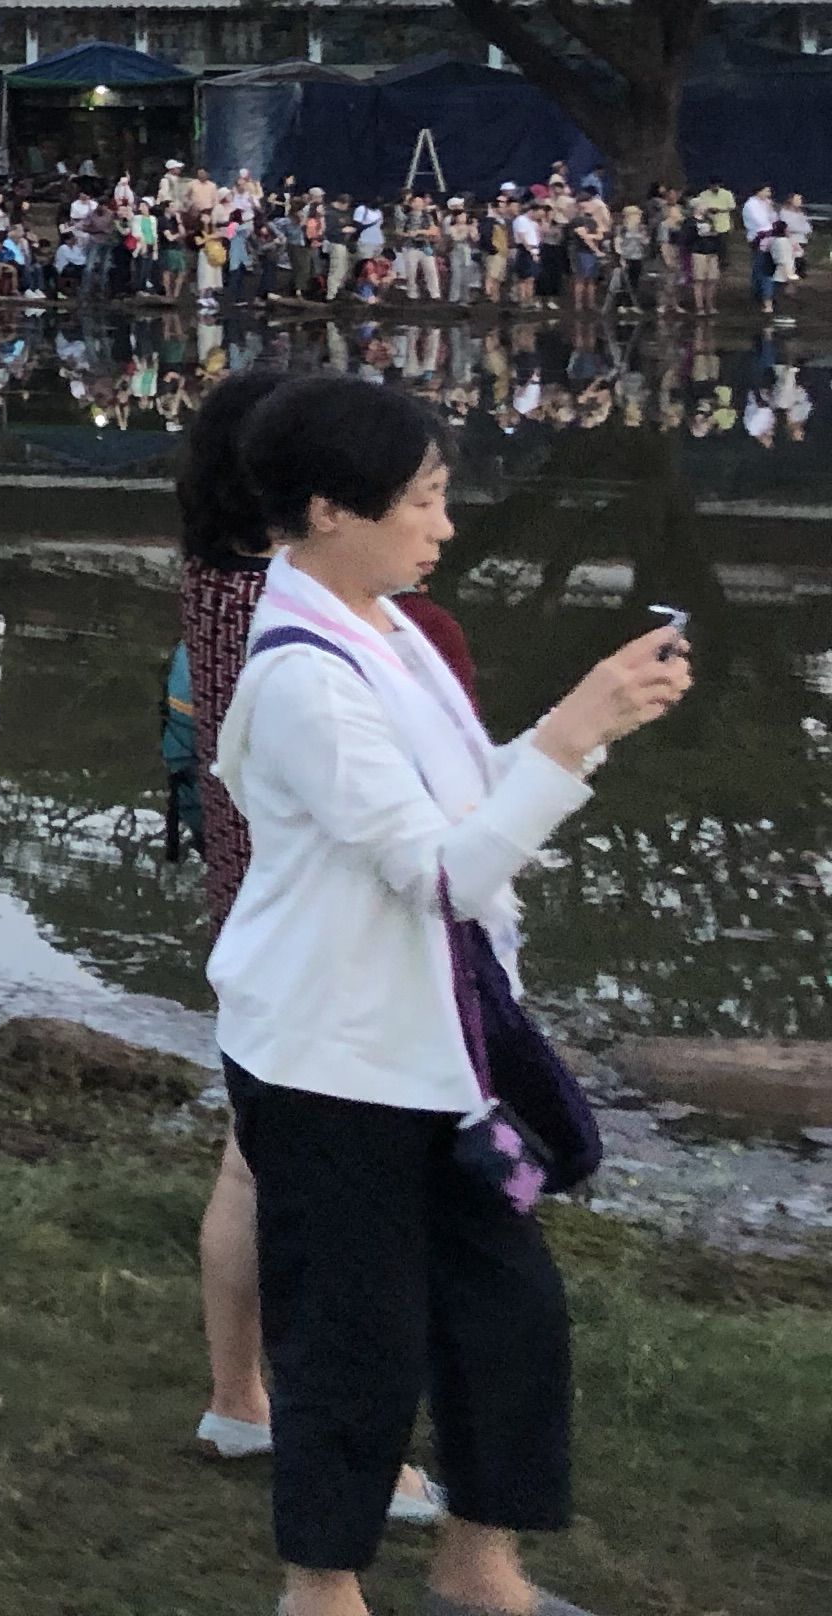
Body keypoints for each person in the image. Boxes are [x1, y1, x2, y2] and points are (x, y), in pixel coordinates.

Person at [213, 374, 690, 1616]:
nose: (446, 526)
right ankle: (320, 1592)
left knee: (513, 1310)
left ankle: (483, 1566)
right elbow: (440, 872)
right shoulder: (307, 677)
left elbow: (466, 794)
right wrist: (576, 733)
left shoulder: (393, 628)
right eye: (424, 500)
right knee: (350, 1344)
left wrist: (577, 729)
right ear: (329, 510)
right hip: (332, 1065)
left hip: (452, 1055)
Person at [177, 368, 454, 1529]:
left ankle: (242, 1396)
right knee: (325, 1203)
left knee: (255, 1164)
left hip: (253, 883)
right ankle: (344, 1444)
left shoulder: (216, 579)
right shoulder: (308, 612)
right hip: (319, 905)